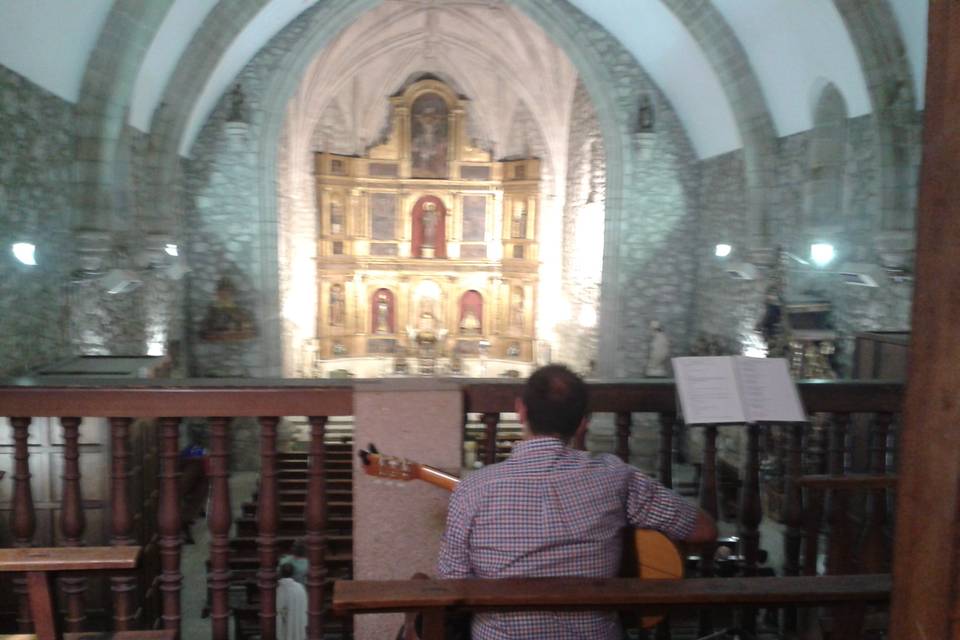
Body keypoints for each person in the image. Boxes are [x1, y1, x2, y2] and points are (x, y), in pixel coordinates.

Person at [438, 364, 716, 640]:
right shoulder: (615, 477)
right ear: (583, 422)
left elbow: (453, 582)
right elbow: (703, 530)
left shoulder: (474, 488)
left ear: (520, 410)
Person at [276, 562, 307, 640]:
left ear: (281, 573)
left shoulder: (276, 589)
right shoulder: (300, 588)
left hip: (282, 618)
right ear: (293, 573)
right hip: (295, 621)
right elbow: (304, 607)